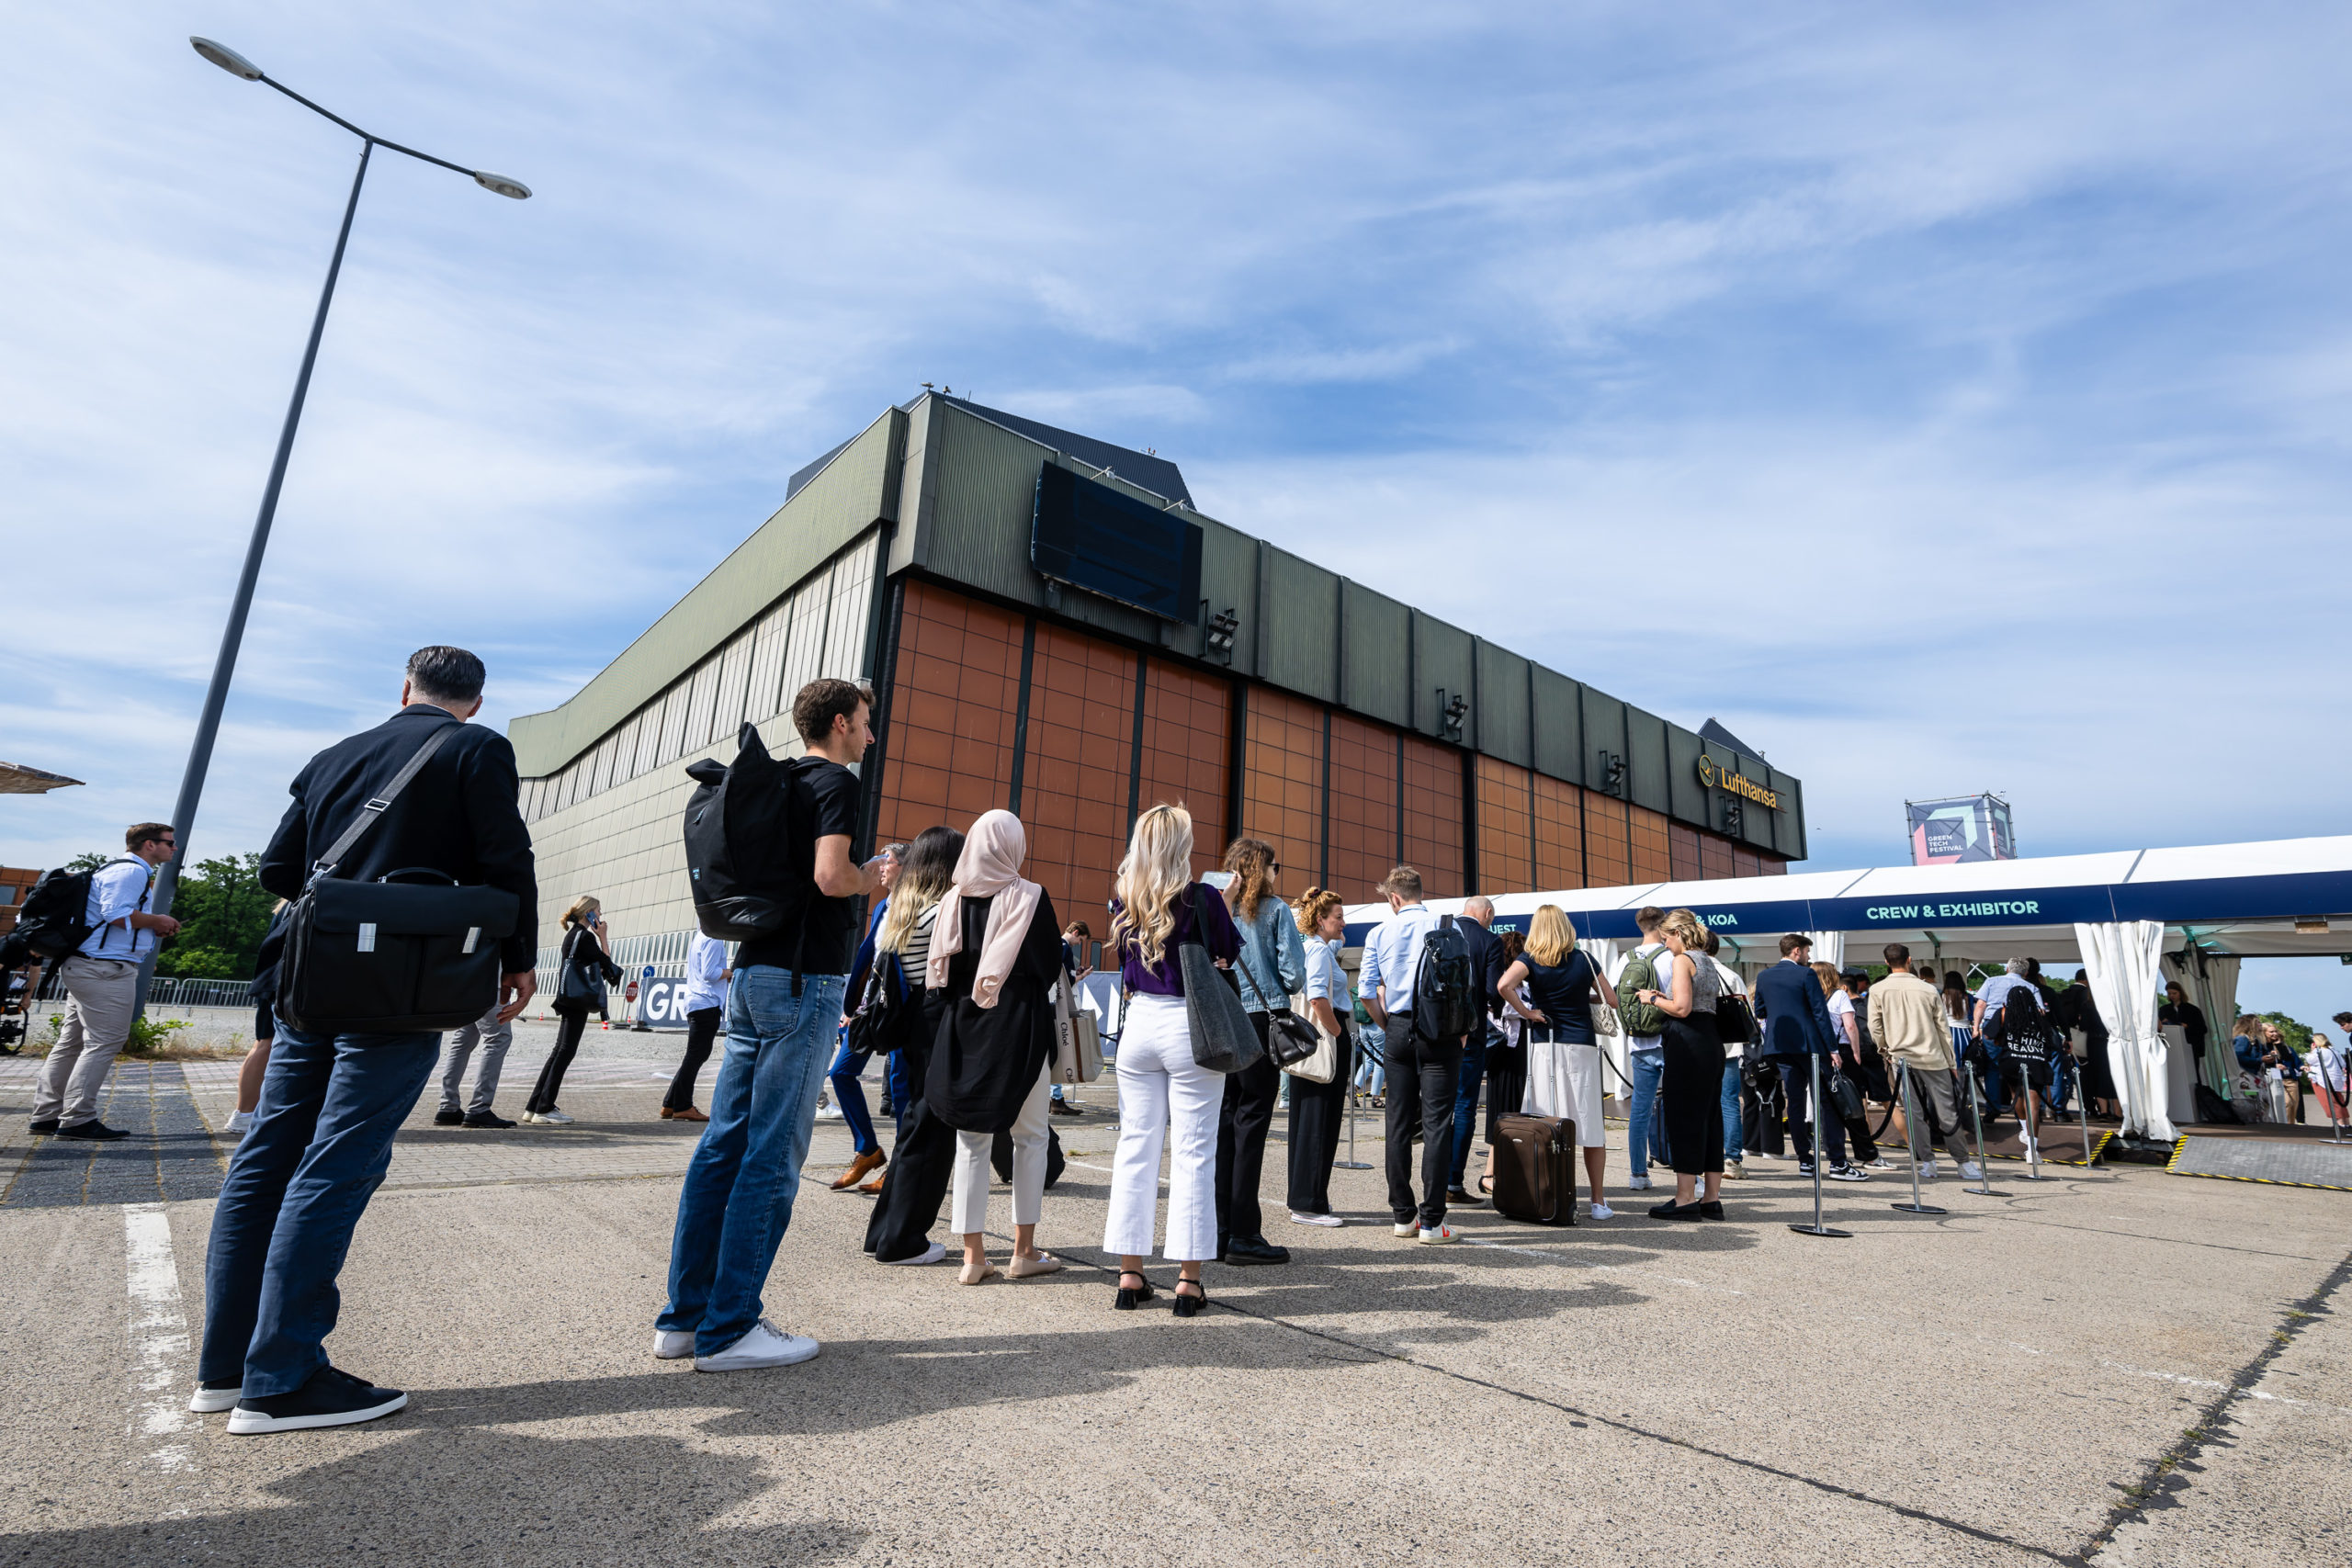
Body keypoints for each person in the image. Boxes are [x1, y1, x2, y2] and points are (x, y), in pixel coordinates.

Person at [194, 646, 537, 1432]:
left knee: (267, 1156)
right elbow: (505, 859)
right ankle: (282, 1378)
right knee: (340, 1160)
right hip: (400, 986)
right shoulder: (477, 749)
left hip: (308, 979)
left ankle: (225, 1366)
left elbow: (278, 868)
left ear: (405, 688)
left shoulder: (333, 755)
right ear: (476, 702)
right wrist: (516, 956)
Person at [654, 677, 884, 1372]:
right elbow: (830, 876)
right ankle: (730, 1328)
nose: (870, 735)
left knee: (722, 1145)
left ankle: (684, 1319)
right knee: (773, 1153)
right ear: (840, 723)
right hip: (804, 979)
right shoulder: (835, 783)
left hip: (752, 974)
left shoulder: (779, 781)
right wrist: (877, 875)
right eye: (865, 723)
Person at [1103, 804, 1241, 1317]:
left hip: (1140, 1024)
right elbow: (1227, 954)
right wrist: (1222, 906)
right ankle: (1188, 1281)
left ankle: (1130, 1274)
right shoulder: (1204, 897)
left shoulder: (1125, 896)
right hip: (1190, 1024)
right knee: (1194, 1151)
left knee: (1135, 1147)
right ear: (1182, 845)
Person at [921, 810, 1066, 1285]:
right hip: (1020, 1027)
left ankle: (973, 1257)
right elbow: (1048, 965)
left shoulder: (952, 900)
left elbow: (941, 976)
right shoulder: (1030, 896)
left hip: (964, 1028)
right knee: (1031, 1137)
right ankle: (1024, 1251)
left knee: (971, 1142)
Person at [28, 822, 182, 1140]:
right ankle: (77, 1119)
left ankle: (46, 1115)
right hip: (105, 970)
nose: (174, 848)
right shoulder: (132, 871)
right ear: (149, 844)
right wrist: (158, 920)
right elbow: (116, 914)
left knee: (71, 1043)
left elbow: (113, 917)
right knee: (105, 1041)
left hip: (87, 965)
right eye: (169, 842)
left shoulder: (114, 869)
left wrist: (149, 926)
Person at [862, 825, 966, 1266]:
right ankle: (904, 1240)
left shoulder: (902, 906)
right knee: (932, 1132)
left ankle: (884, 1233)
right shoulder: (944, 909)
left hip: (912, 1024)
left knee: (913, 1127)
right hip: (937, 1021)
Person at [1212, 838, 1307, 1266]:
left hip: (1221, 1019)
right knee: (1251, 1126)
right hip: (1261, 1021)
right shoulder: (1275, 910)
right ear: (1261, 869)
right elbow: (1294, 975)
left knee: (1224, 1123)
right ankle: (1245, 1234)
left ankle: (1218, 1231)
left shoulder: (1215, 909)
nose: (1275, 873)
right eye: (1273, 866)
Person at [1359, 864, 1462, 1245]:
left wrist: (1387, 1025)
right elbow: (1463, 985)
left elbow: (1366, 991)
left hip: (1399, 1026)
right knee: (1437, 1124)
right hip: (1440, 1030)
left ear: (1394, 898)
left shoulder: (1378, 932)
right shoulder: (1448, 925)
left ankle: (1403, 1216)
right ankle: (1433, 1221)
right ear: (1419, 892)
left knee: (1397, 1124)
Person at [1498, 905, 1611, 1218]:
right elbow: (1611, 1000)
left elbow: (1504, 986)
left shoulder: (1530, 958)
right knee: (1590, 1122)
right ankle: (1598, 1202)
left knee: (1544, 1121)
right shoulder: (1585, 959)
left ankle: (1548, 1192)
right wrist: (1580, 997)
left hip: (1545, 1045)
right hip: (1581, 1045)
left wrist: (1527, 1012)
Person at [1635, 909, 1725, 1220]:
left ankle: (1685, 1198)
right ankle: (1711, 1198)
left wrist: (1652, 999)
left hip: (1688, 1043)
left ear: (1678, 934)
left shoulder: (1682, 960)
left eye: (1666, 938)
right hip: (1711, 1041)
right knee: (1710, 1119)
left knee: (1685, 1117)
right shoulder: (1707, 961)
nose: (1665, 944)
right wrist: (1668, 999)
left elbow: (1683, 1008)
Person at [1751, 933, 1864, 1180]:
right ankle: (1837, 1162)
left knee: (1795, 1102)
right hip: (1810, 1045)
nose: (1808, 956)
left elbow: (1760, 1010)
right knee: (1826, 1101)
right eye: (1806, 951)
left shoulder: (1764, 976)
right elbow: (1819, 1012)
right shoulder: (1806, 974)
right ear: (1796, 951)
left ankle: (1805, 1160)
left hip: (1780, 1045)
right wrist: (1833, 1048)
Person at [1867, 944, 1983, 1179]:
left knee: (1914, 1113)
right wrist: (1951, 1061)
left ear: (1886, 962)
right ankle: (1963, 1162)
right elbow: (1943, 1030)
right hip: (1933, 1056)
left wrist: (1885, 1050)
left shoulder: (1877, 989)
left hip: (1901, 1058)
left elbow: (1875, 1026)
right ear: (1909, 960)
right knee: (1947, 1112)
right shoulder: (1928, 989)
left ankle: (1928, 1162)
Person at [828, 844, 905, 1183]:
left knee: (901, 1085)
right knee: (841, 1073)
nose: (881, 867)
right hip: (868, 1007)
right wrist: (852, 1006)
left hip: (899, 1008)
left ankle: (900, 1168)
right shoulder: (881, 906)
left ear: (905, 867)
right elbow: (868, 958)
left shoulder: (917, 905)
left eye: (888, 861)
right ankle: (868, 1149)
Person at [1285, 887, 1355, 1227]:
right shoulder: (1317, 951)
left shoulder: (1317, 947)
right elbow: (1317, 997)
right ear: (1320, 920)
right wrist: (1338, 1032)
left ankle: (1306, 1197)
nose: (1343, 923)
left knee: (1311, 1119)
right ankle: (1308, 1204)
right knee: (1319, 1120)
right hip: (1327, 1034)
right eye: (1338, 917)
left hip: (1318, 1036)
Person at [525, 897, 621, 1125]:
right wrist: (603, 937)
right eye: (598, 911)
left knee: (559, 1051)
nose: (601, 915)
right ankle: (544, 1108)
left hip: (569, 997)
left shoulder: (573, 935)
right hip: (577, 1000)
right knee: (565, 1052)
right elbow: (609, 967)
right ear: (589, 913)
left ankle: (534, 1106)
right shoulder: (585, 937)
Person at [1444, 895, 1508, 1207]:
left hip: (1436, 1030)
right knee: (1465, 1105)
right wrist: (1496, 1007)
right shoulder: (1490, 940)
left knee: (1438, 1106)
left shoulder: (1441, 930)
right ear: (1488, 913)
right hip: (1471, 1031)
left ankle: (1433, 1180)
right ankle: (1452, 1182)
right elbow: (1493, 989)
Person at [1612, 907, 1674, 1190]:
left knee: (1639, 1110)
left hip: (1638, 1042)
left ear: (1639, 927)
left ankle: (1638, 1174)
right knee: (1680, 1108)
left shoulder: (1625, 958)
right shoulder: (1671, 957)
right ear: (1662, 926)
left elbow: (1616, 999)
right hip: (1669, 1040)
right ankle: (1692, 1175)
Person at [226, 905, 288, 1137]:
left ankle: (245, 1113)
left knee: (264, 1043)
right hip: (281, 982)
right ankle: (244, 1114)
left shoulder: (284, 906)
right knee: (266, 1045)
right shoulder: (299, 901)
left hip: (272, 980)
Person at [1817, 963, 1886, 1168]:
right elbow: (1850, 1025)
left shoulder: (1811, 996)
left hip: (1820, 1052)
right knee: (1852, 1103)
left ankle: (1834, 1151)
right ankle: (1867, 1153)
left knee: (1828, 1107)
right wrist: (1856, 1051)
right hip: (1843, 1051)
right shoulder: (1839, 995)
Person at [662, 931, 729, 1123]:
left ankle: (670, 1103)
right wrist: (731, 973)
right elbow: (710, 973)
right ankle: (683, 1106)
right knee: (696, 1055)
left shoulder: (700, 936)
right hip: (706, 1002)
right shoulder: (714, 937)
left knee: (694, 1055)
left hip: (696, 1001)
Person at [1700, 929, 1747, 1180]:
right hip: (1730, 1047)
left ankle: (1704, 1156)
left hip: (1701, 1047)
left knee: (1702, 1103)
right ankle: (1732, 1160)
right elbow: (1746, 1013)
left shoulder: (1693, 973)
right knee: (1729, 1104)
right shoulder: (1731, 976)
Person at [1996, 986, 2064, 1153]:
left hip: (2011, 1061)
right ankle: (2032, 1149)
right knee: (2033, 1104)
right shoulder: (2040, 1017)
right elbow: (2051, 1040)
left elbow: (1990, 1035)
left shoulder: (2004, 1014)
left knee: (2016, 1096)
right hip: (2036, 1062)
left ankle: (2025, 1130)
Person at [435, 998, 517, 1130]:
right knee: (497, 1039)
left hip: (466, 991)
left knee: (462, 1041)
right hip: (490, 990)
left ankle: (448, 1106)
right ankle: (479, 1108)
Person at [1484, 928, 1531, 1161]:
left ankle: (1504, 1155)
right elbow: (1507, 1008)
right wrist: (1529, 1011)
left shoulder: (1504, 979)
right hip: (1508, 1044)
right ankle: (1499, 1157)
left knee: (1506, 1101)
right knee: (1506, 1101)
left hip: (1505, 1043)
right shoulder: (1507, 981)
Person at [1050, 920, 1092, 1117]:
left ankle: (1053, 1098)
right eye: (1080, 940)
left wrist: (1077, 972)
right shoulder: (1065, 948)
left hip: (1050, 1002)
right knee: (1059, 1050)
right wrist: (1082, 976)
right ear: (1076, 932)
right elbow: (1064, 979)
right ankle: (1056, 1099)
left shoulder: (1055, 944)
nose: (1079, 944)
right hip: (1059, 1006)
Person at [2066, 970, 2116, 1119]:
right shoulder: (2110, 1005)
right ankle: (2117, 1111)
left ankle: (2095, 1108)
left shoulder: (2071, 996)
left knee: (2089, 1076)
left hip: (2091, 1042)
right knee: (2109, 1075)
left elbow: (2083, 1025)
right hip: (2110, 1041)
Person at [2311, 1022, 2349, 1129]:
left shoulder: (2319, 1051)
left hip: (2322, 1080)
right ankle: (2346, 1123)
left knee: (2330, 1102)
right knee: (2340, 1101)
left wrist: (2312, 1051)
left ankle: (2340, 1124)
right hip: (2336, 1080)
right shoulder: (2334, 1050)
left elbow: (2310, 1060)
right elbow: (2343, 1064)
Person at [2161, 982, 2210, 1065]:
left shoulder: (2193, 1010)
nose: (2172, 996)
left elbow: (2203, 1029)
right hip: (2172, 1048)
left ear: (2180, 993)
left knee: (2193, 1069)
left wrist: (2187, 1026)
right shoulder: (2163, 1010)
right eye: (2169, 993)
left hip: (2191, 1047)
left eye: (2174, 993)